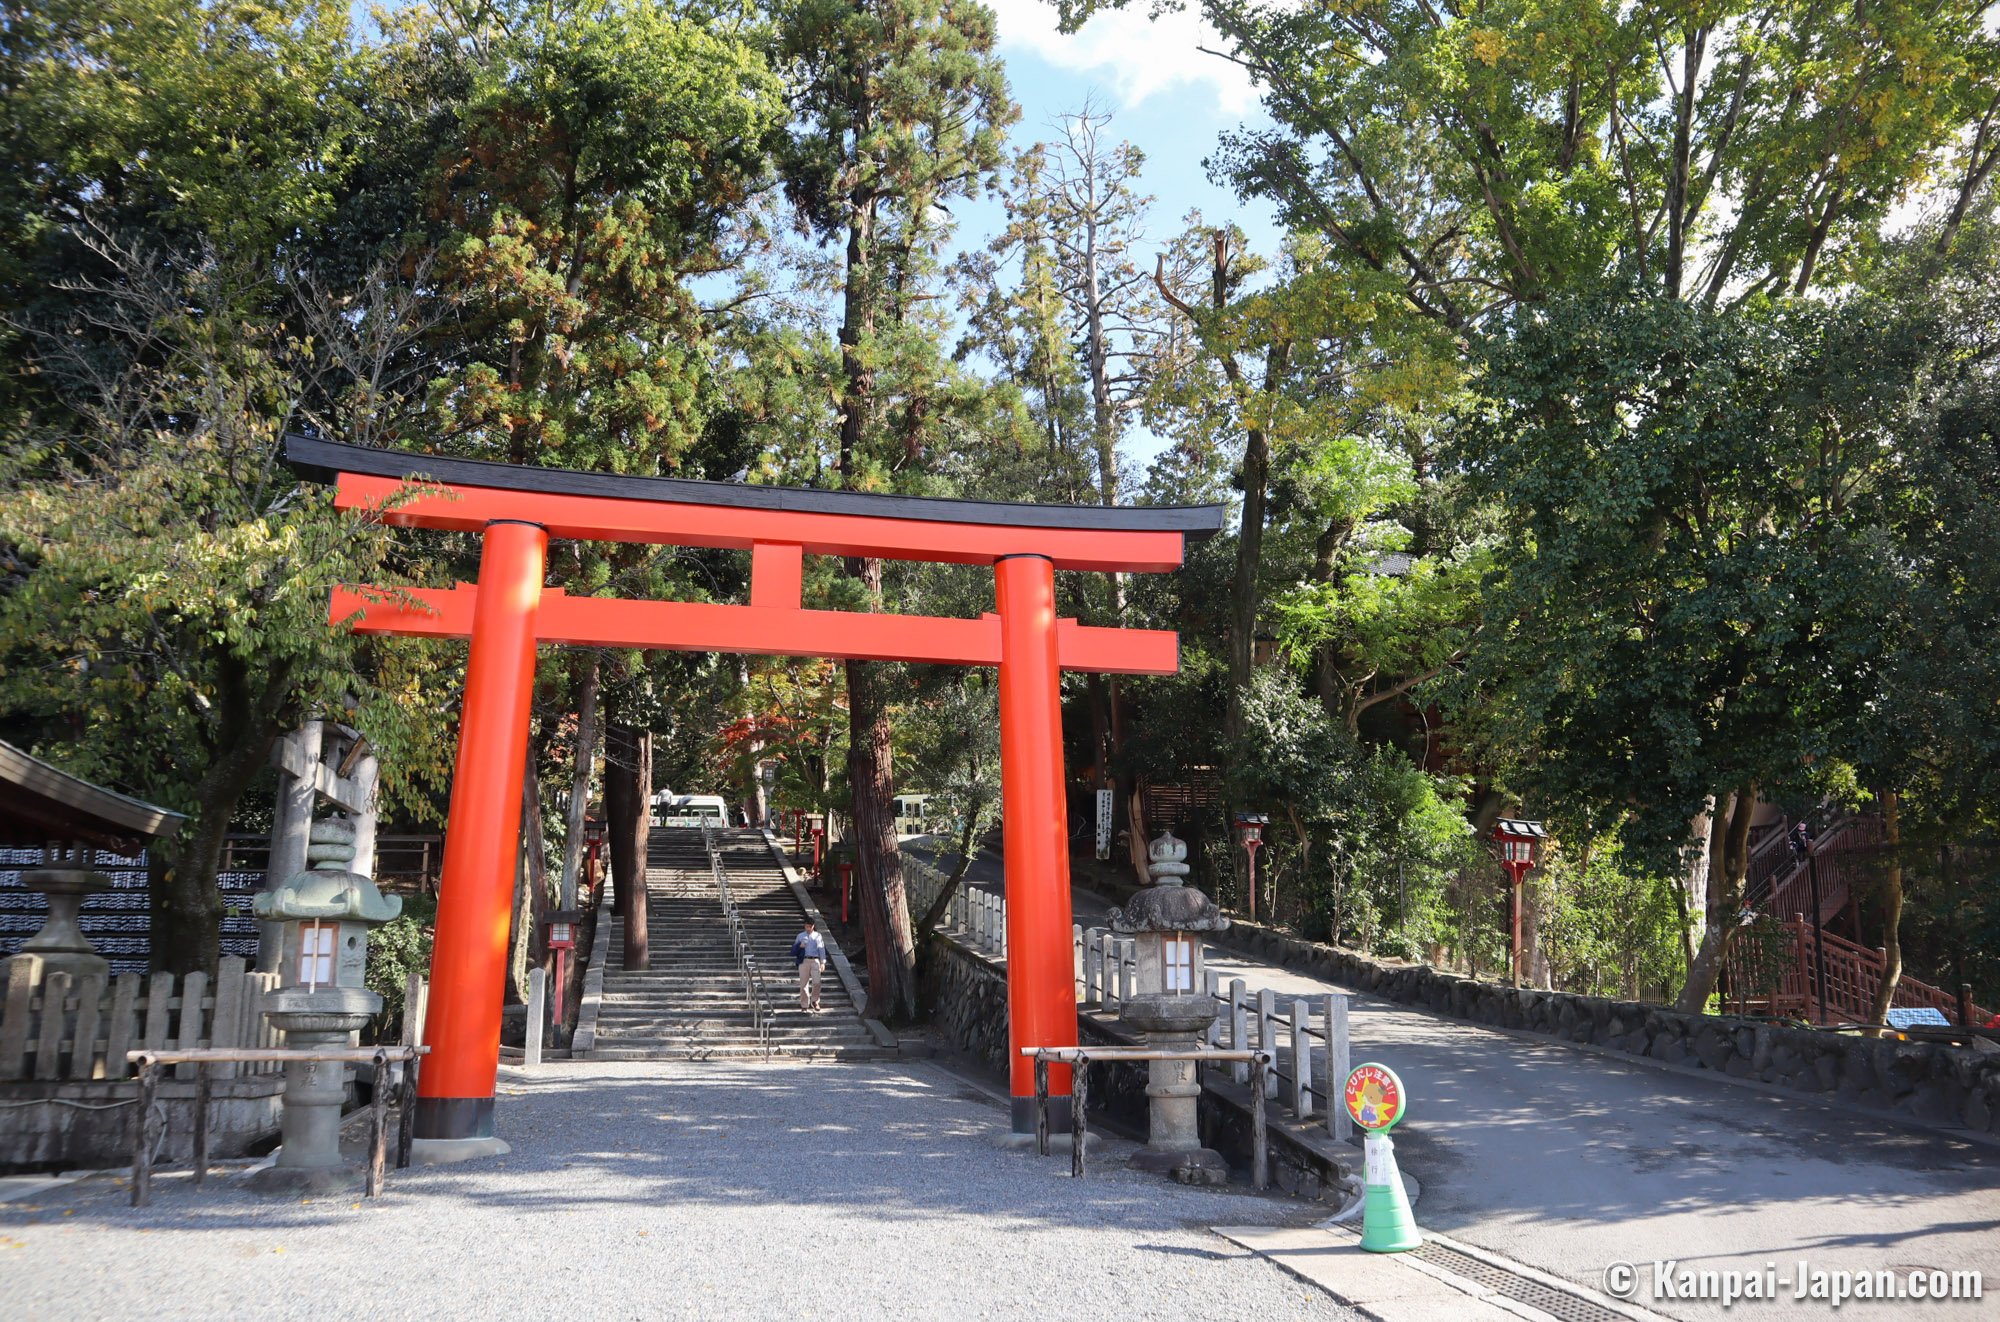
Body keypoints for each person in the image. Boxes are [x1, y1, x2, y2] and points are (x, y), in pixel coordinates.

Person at [792, 918, 827, 1012]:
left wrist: (822, 962)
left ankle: (815, 1000)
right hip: (804, 960)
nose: (808, 928)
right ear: (805, 926)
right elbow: (794, 950)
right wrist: (800, 946)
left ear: (813, 926)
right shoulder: (800, 936)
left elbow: (821, 949)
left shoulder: (818, 935)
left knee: (817, 982)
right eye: (807, 926)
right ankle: (804, 1004)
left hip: (815, 960)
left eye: (810, 926)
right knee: (803, 984)